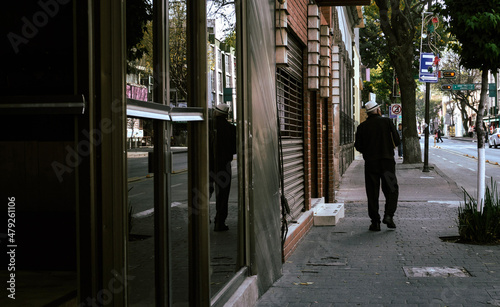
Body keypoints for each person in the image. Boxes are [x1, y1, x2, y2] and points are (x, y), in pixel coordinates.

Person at [354, 101, 400, 231]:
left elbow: (358, 146)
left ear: (368, 113)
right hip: (387, 162)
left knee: (372, 192)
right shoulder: (387, 122)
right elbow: (397, 140)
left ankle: (375, 222)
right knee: (392, 189)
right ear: (378, 110)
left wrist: (368, 152)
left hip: (371, 163)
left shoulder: (362, 127)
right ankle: (389, 216)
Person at [209, 103, 237, 231]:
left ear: (215, 112)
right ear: (226, 115)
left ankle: (201, 219)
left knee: (205, 192)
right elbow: (234, 148)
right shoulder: (231, 128)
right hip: (224, 166)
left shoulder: (207, 127)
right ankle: (219, 222)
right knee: (222, 195)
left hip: (208, 164)